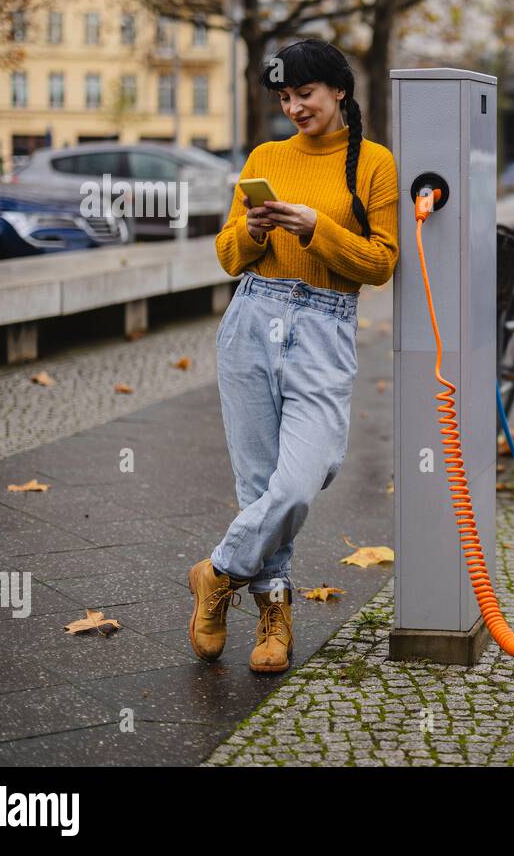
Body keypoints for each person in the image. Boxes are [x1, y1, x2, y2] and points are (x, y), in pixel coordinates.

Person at [188, 39, 399, 673]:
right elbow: (227, 256)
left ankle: (218, 571)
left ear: (339, 90)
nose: (294, 108)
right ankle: (272, 615)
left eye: (304, 94)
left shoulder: (375, 165)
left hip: (326, 324)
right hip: (254, 314)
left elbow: (381, 263)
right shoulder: (265, 156)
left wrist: (317, 229)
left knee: (306, 476)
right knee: (258, 483)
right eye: (284, 98)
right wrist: (252, 232)